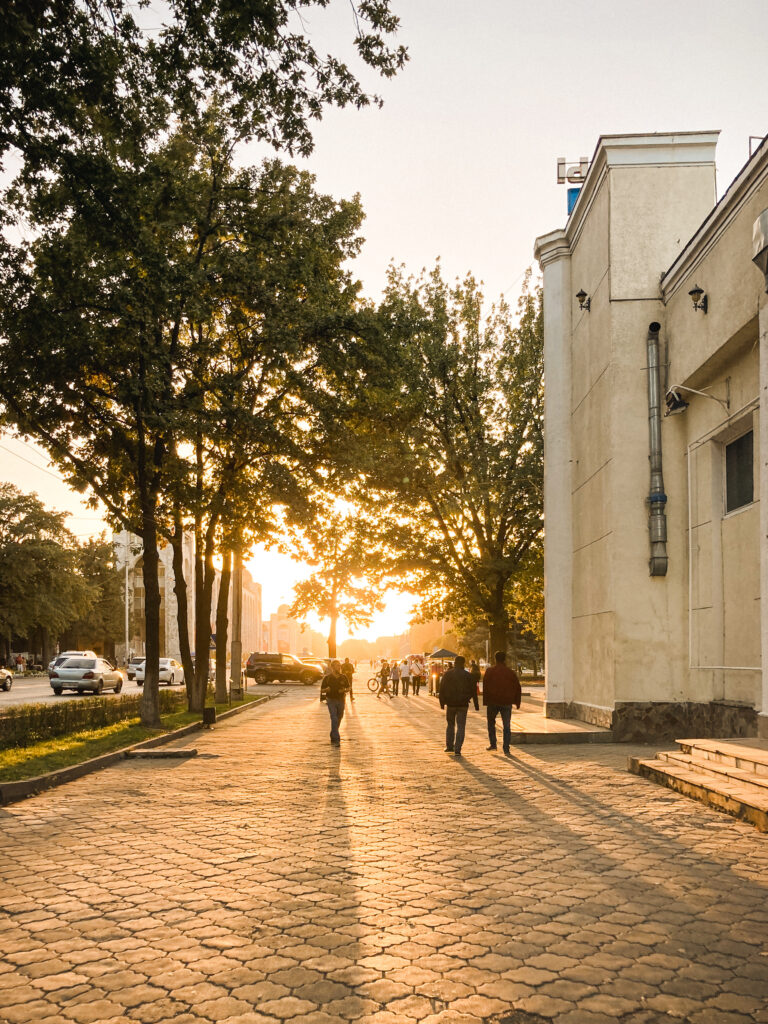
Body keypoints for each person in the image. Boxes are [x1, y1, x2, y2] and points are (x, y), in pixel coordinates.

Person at [438, 655, 479, 757]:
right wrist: (476, 704)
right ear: (463, 664)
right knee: (461, 726)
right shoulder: (468, 675)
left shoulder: (447, 674)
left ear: (455, 663)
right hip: (463, 704)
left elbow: (441, 688)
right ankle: (458, 749)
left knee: (450, 725)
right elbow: (473, 690)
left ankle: (449, 746)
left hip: (451, 704)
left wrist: (442, 703)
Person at [482, 650, 522, 755]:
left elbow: (485, 686)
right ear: (505, 659)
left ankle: (493, 744)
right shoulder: (510, 672)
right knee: (507, 726)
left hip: (492, 702)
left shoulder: (490, 671)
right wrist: (517, 702)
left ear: (495, 659)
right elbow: (517, 687)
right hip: (506, 702)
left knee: (491, 723)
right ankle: (506, 748)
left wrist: (486, 701)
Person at [320, 660, 350, 745]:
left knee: (339, 717)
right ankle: (336, 738)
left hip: (341, 700)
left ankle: (333, 733)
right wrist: (326, 690)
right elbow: (322, 690)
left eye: (339, 666)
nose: (339, 667)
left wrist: (344, 690)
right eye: (337, 666)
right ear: (332, 667)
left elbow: (348, 688)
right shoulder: (327, 678)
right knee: (334, 718)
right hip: (331, 700)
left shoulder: (343, 677)